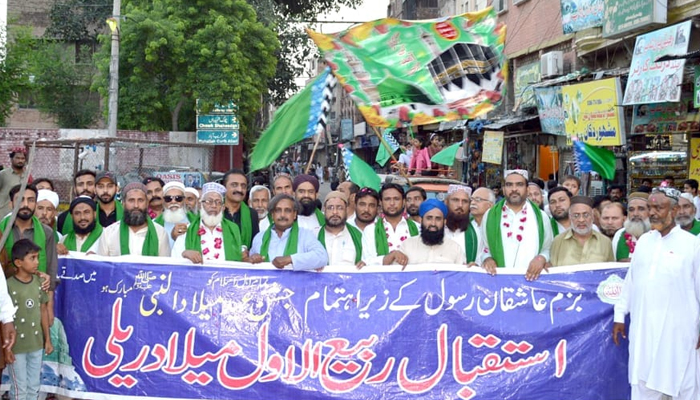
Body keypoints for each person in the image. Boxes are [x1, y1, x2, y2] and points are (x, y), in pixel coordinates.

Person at [613, 187, 700, 400]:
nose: (652, 213)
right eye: (650, 208)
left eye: (659, 208)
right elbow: (631, 282)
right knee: (643, 384)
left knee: (683, 385)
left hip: (679, 332)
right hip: (644, 330)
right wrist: (619, 316)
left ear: (675, 209)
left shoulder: (692, 245)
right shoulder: (644, 242)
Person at [480, 170, 553, 280]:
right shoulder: (490, 216)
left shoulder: (541, 217)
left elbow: (547, 248)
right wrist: (487, 258)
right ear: (503, 189)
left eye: (519, 184)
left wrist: (541, 258)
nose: (514, 189)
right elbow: (484, 248)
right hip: (499, 282)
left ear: (527, 189)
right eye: (509, 185)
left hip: (532, 282)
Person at [0, 185, 58, 320]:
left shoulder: (46, 233)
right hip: (5, 299)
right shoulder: (1, 231)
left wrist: (49, 307)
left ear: (35, 204)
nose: (25, 204)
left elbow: (51, 271)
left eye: (31, 200)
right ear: (11, 204)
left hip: (35, 300)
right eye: (20, 199)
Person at [6, 239, 53, 400]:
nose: (37, 262)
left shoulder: (40, 283)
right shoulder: (7, 286)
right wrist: (7, 348)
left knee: (34, 387)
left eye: (37, 257)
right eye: (32, 258)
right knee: (20, 389)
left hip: (36, 343)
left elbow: (43, 311)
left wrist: (47, 339)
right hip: (16, 346)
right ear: (18, 262)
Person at [247, 194, 328, 270]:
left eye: (287, 210)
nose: (282, 215)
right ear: (272, 214)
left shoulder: (305, 235)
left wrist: (290, 259)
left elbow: (322, 257)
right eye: (278, 210)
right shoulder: (260, 238)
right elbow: (249, 264)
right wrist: (253, 259)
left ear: (295, 214)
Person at [172, 182, 245, 263]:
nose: (214, 205)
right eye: (208, 201)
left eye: (218, 202)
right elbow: (174, 259)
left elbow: (240, 257)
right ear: (200, 205)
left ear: (223, 207)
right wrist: (185, 253)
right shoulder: (188, 230)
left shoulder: (233, 229)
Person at [97, 182, 170, 257]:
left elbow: (164, 266)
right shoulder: (109, 233)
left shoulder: (160, 233)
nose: (136, 205)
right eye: (131, 200)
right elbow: (102, 266)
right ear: (123, 203)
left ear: (147, 203)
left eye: (140, 200)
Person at [361, 183, 420, 267]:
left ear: (403, 202)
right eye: (387, 199)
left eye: (396, 199)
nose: (392, 203)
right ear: (381, 203)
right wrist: (388, 258)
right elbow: (367, 261)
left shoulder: (418, 228)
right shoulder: (370, 230)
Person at [550, 196, 614, 267]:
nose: (581, 220)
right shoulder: (558, 241)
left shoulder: (605, 242)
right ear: (570, 217)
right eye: (576, 215)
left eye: (586, 215)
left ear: (592, 216)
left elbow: (610, 273)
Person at [399, 198, 465, 266]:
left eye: (438, 219)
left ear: (444, 222)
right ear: (421, 220)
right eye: (429, 218)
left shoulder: (455, 248)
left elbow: (463, 275)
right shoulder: (407, 246)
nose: (433, 223)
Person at [318, 191, 364, 268]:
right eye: (330, 208)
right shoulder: (314, 235)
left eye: (340, 208)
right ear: (324, 210)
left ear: (346, 210)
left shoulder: (358, 235)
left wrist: (365, 265)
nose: (335, 212)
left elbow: (367, 261)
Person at [222, 169, 259, 250]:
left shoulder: (252, 214)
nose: (240, 190)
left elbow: (255, 245)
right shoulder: (216, 211)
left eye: (243, 186)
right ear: (224, 187)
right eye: (234, 185)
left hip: (243, 261)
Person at [444, 184, 479, 265]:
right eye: (455, 200)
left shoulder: (477, 232)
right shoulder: (436, 230)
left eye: (465, 201)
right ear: (446, 202)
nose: (460, 205)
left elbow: (482, 259)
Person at [154, 181, 196, 247]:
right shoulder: (155, 223)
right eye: (168, 199)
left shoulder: (195, 221)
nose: (173, 201)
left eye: (178, 198)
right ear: (163, 201)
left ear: (184, 200)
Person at [612, 192, 652, 262]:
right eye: (631, 210)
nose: (635, 214)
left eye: (641, 209)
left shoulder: (658, 235)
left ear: (650, 211)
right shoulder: (619, 234)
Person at [0, 148, 31, 217]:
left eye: (22, 158)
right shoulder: (3, 174)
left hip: (20, 214)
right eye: (17, 158)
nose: (20, 160)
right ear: (11, 159)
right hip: (3, 213)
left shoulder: (27, 176)